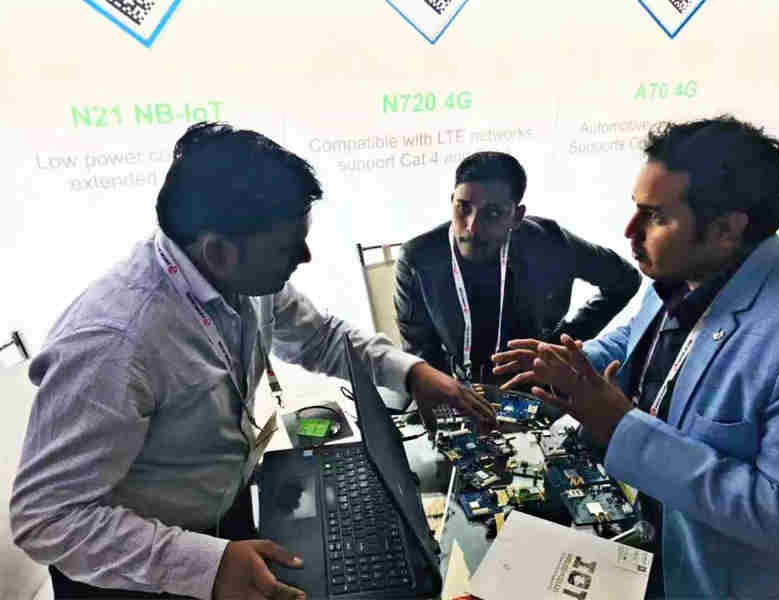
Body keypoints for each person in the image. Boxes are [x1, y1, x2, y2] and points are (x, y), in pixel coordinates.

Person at [10, 122, 495, 600]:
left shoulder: (239, 277)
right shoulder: (114, 344)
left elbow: (322, 337)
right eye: (288, 245)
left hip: (224, 517)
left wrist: (413, 373)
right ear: (218, 251)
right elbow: (45, 517)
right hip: (136, 573)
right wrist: (205, 564)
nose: (305, 256)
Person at [493, 116, 779, 599]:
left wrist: (620, 425)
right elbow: (638, 338)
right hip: (644, 534)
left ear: (726, 229)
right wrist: (570, 365)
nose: (629, 231)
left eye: (654, 217)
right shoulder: (692, 265)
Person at [394, 151, 641, 386]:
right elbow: (422, 356)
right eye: (463, 207)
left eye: (493, 213)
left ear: (517, 216)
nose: (472, 227)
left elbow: (625, 280)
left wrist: (562, 343)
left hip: (538, 383)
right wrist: (452, 397)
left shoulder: (550, 242)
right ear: (452, 202)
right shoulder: (416, 259)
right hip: (460, 387)